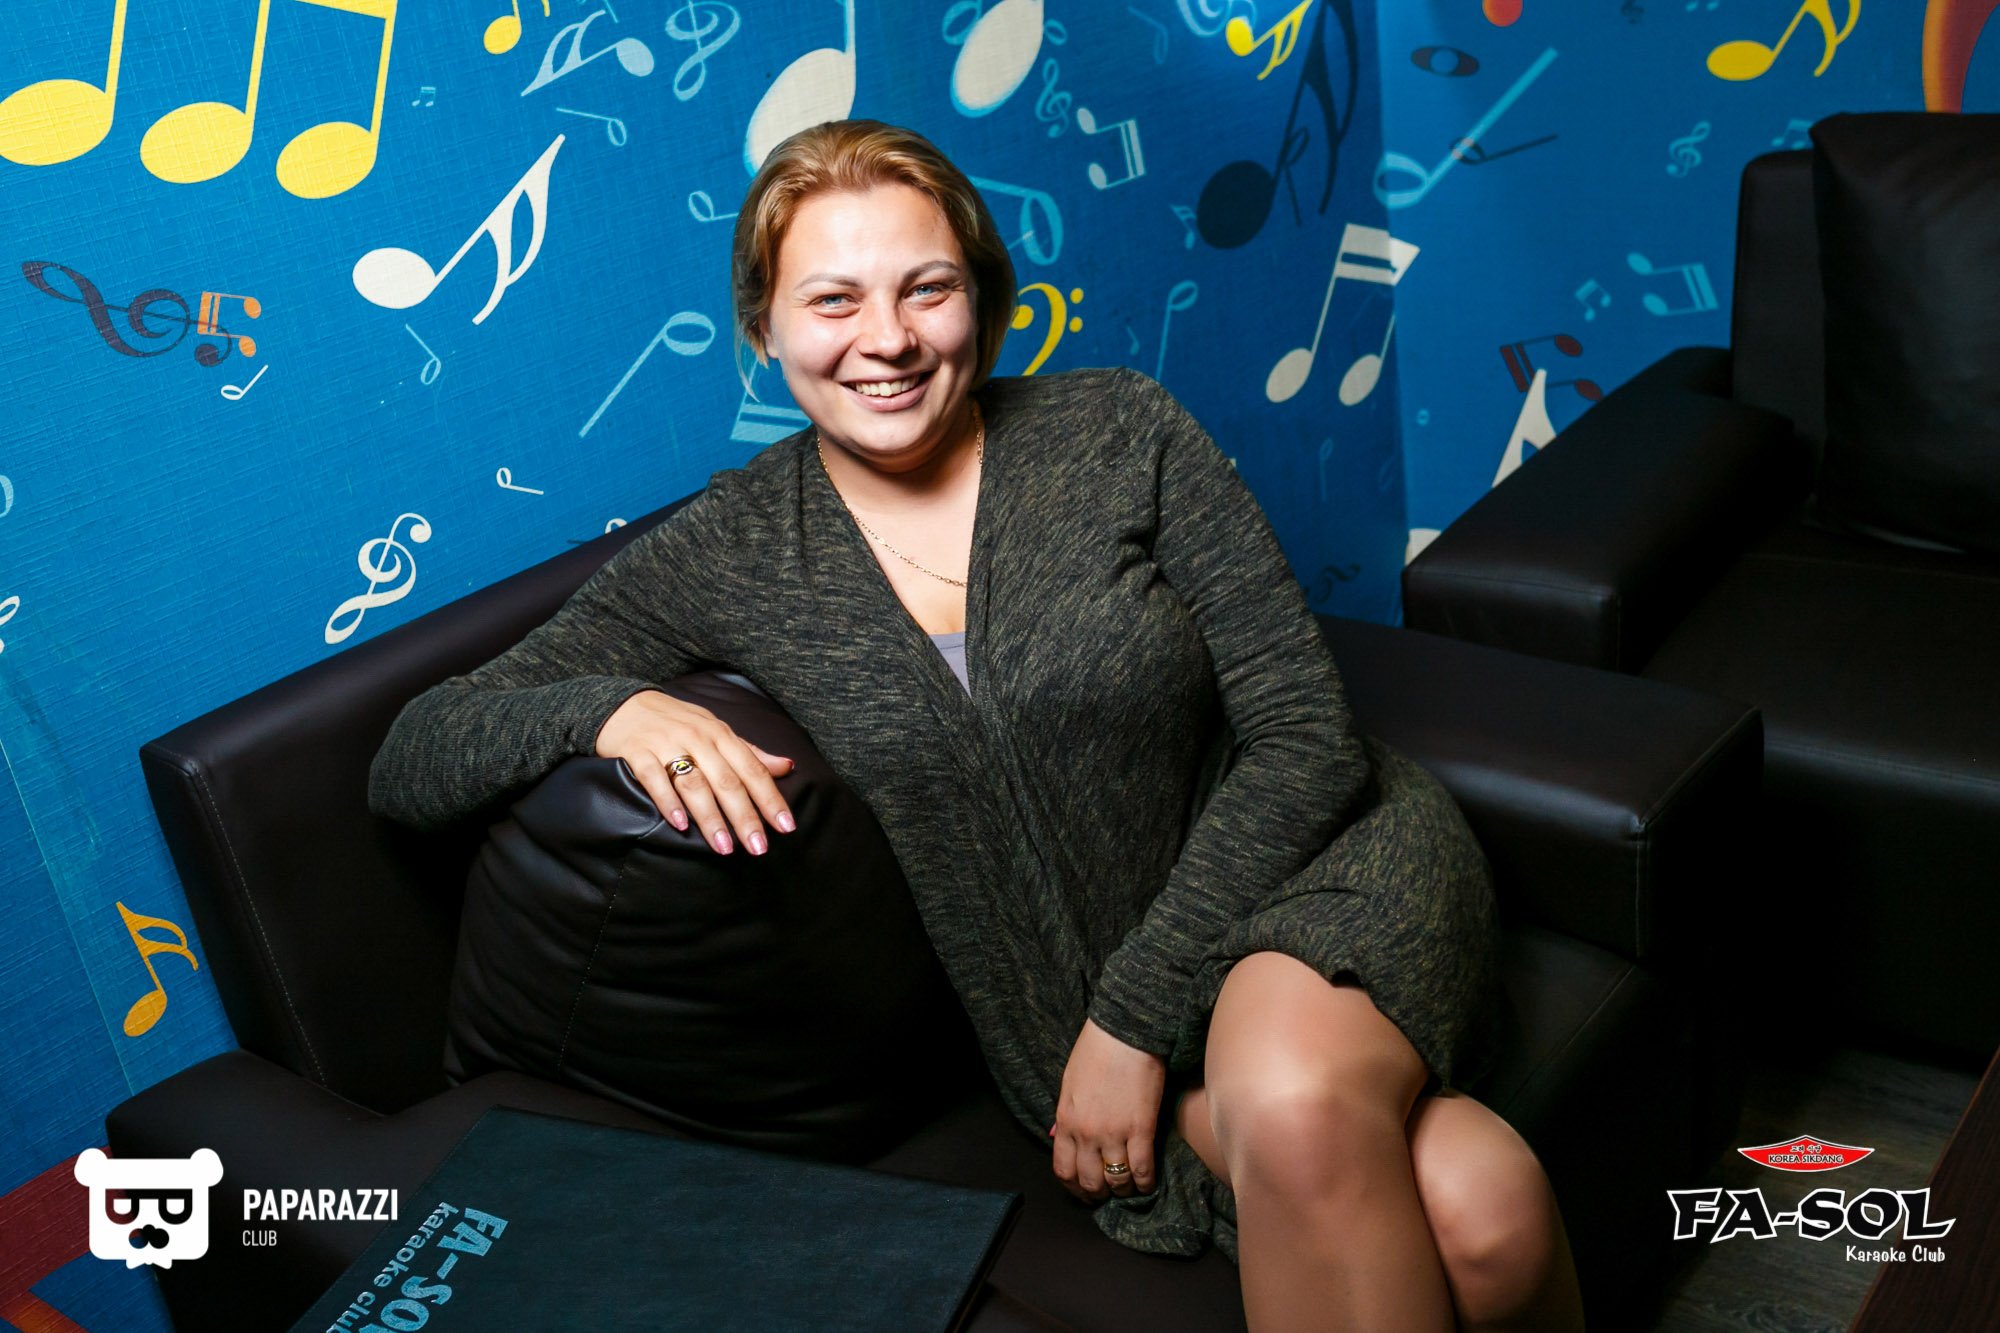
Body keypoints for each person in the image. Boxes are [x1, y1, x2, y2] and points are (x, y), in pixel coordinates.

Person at [368, 119, 1584, 1331]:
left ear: (980, 301)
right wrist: (613, 706)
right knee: (1481, 1217)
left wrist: (1128, 1020)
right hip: (1070, 1015)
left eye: (926, 288)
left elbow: (1306, 738)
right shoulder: (728, 549)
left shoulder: (1118, 429)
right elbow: (415, 749)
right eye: (831, 299)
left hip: (1316, 878)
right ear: (764, 328)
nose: (887, 338)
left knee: (1300, 1104)